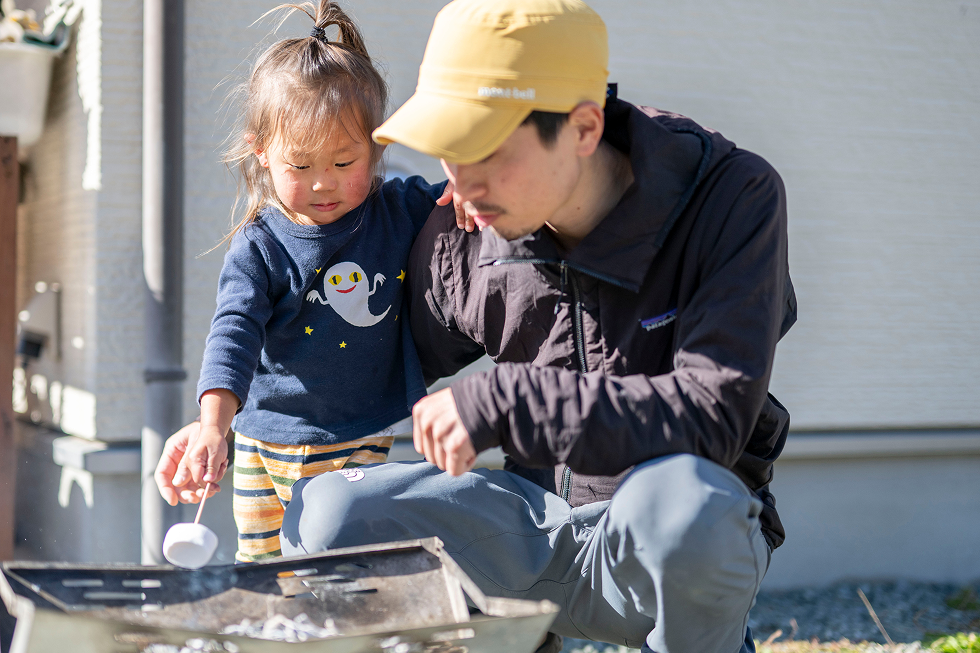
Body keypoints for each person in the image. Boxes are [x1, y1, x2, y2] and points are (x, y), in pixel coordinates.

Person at [158, 0, 796, 650]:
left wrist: (503, 399)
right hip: (532, 528)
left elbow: (713, 416)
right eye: (448, 152)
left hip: (650, 544)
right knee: (327, 511)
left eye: (485, 152)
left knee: (690, 504)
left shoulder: (730, 199)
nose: (459, 184)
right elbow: (352, 351)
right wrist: (220, 422)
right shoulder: (461, 224)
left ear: (582, 128)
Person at [163, 0, 468, 563]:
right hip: (258, 438)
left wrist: (470, 185)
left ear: (377, 150)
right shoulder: (260, 243)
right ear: (262, 154)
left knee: (335, 564)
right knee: (265, 570)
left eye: (345, 163)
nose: (324, 184)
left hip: (355, 434)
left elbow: (454, 198)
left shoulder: (397, 210)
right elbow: (233, 332)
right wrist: (213, 426)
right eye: (299, 167)